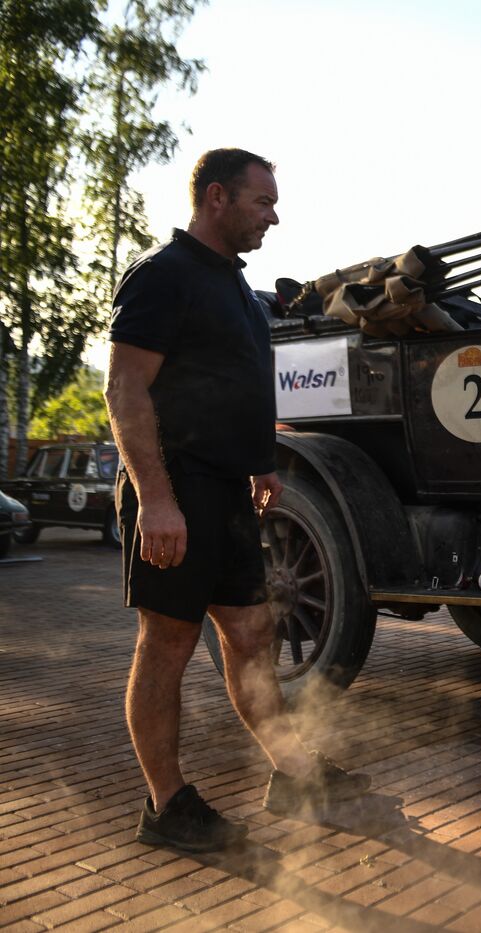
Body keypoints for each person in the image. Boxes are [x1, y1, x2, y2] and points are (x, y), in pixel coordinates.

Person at [105, 148, 369, 853]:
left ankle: (293, 772)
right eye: (263, 202)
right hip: (176, 490)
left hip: (227, 492)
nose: (274, 216)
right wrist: (155, 500)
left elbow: (239, 383)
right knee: (166, 643)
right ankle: (167, 805)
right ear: (217, 198)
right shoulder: (163, 277)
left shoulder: (238, 290)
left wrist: (260, 465)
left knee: (253, 637)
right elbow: (125, 390)